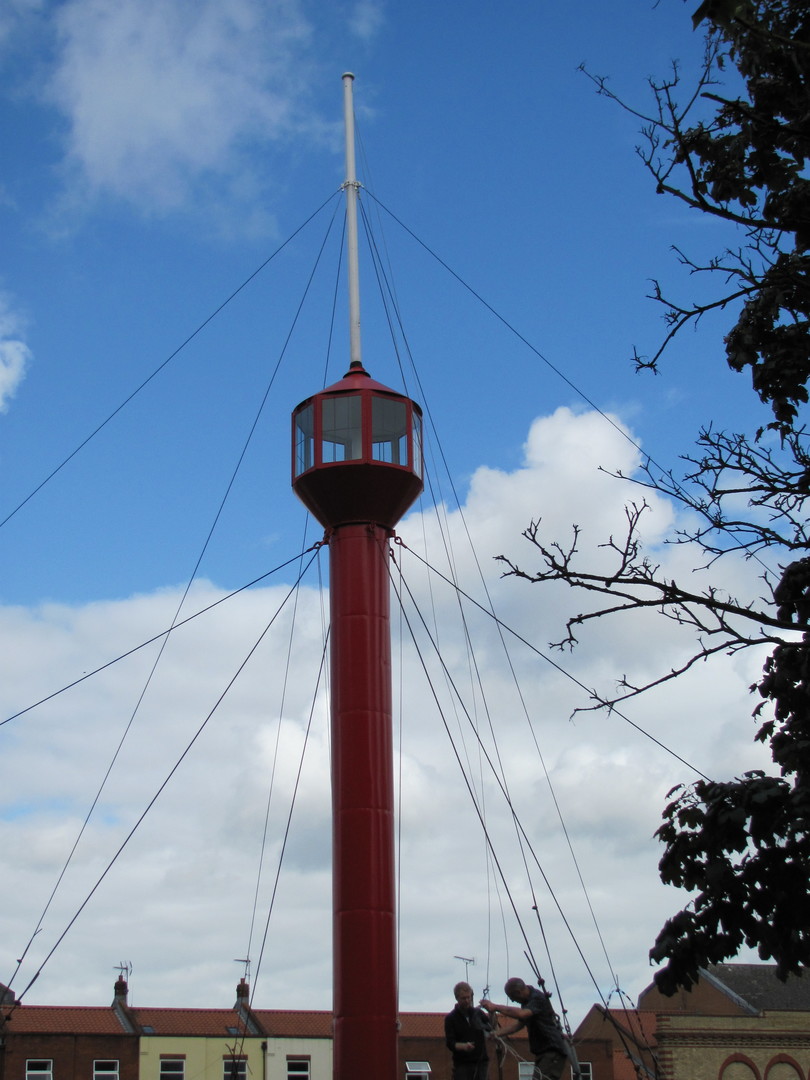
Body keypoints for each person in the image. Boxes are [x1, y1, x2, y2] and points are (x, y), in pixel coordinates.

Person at [480, 976, 568, 1080]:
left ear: (518, 992)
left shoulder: (536, 998)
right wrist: (496, 1033)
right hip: (543, 1052)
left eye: (512, 998)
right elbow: (519, 1025)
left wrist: (496, 1007)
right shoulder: (527, 1002)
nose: (513, 1001)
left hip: (552, 1051)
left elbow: (522, 1015)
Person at [444, 981, 493, 1080]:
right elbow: (450, 1043)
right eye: (463, 998)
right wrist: (463, 1046)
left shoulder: (478, 1013)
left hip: (481, 1062)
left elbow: (491, 1027)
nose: (467, 1001)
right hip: (462, 1065)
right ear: (457, 998)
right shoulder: (451, 1018)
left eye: (468, 997)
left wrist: (492, 1011)